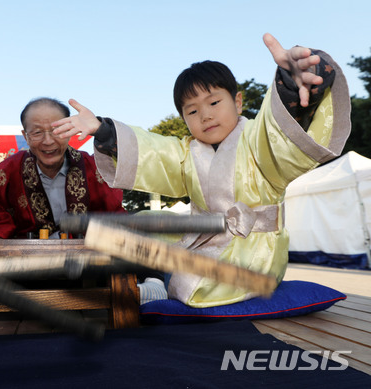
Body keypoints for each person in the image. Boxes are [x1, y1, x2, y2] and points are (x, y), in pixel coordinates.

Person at [51, 34, 351, 308]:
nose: (205, 115)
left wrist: (293, 82)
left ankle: (157, 287)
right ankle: (152, 282)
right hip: (203, 235)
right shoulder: (187, 152)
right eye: (192, 111)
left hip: (252, 249)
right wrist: (103, 131)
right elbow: (154, 152)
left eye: (214, 102)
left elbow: (279, 132)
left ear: (237, 101)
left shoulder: (257, 140)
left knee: (198, 287)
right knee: (135, 225)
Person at [0, 97, 126, 240]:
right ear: (26, 137)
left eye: (57, 130)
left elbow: (113, 214)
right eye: (37, 132)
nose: (48, 141)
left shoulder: (93, 168)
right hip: (25, 263)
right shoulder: (8, 171)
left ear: (69, 130)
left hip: (88, 261)